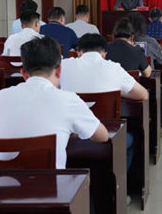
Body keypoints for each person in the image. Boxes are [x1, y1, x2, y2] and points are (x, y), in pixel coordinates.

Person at [0, 36, 109, 214]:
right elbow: (102, 136)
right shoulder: (68, 99)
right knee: (84, 187)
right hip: (48, 192)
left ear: (23, 72)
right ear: (59, 70)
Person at [61, 33, 149, 172]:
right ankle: (118, 182)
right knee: (131, 139)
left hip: (69, 136)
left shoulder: (64, 65)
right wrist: (117, 92)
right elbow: (143, 94)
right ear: (104, 54)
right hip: (106, 133)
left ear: (78, 53)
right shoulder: (113, 68)